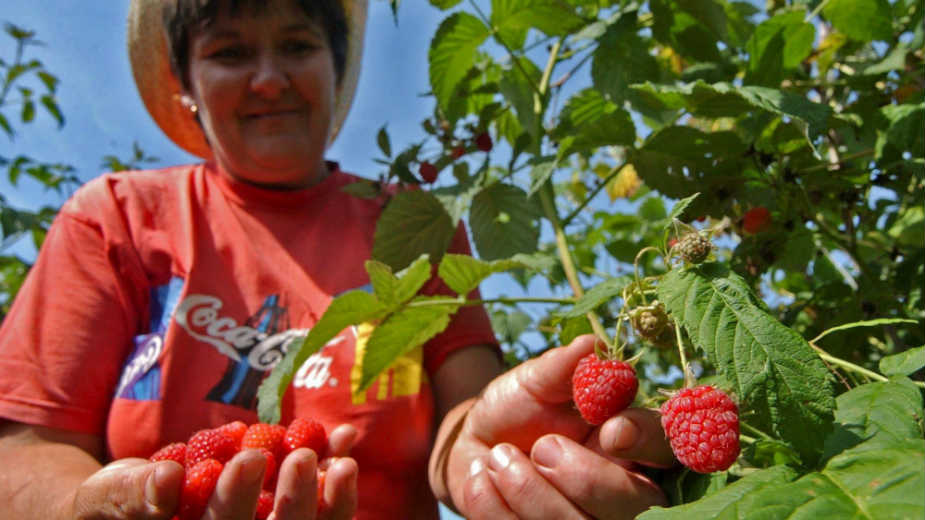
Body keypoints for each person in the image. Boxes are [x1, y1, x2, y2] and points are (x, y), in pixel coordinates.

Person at [0, 0, 674, 519]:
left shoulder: (416, 225)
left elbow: (462, 420)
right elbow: (23, 451)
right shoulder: (118, 218)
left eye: (298, 45)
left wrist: (487, 450)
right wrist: (88, 506)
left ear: (334, 66)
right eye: (229, 52)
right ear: (186, 85)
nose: (269, 79)